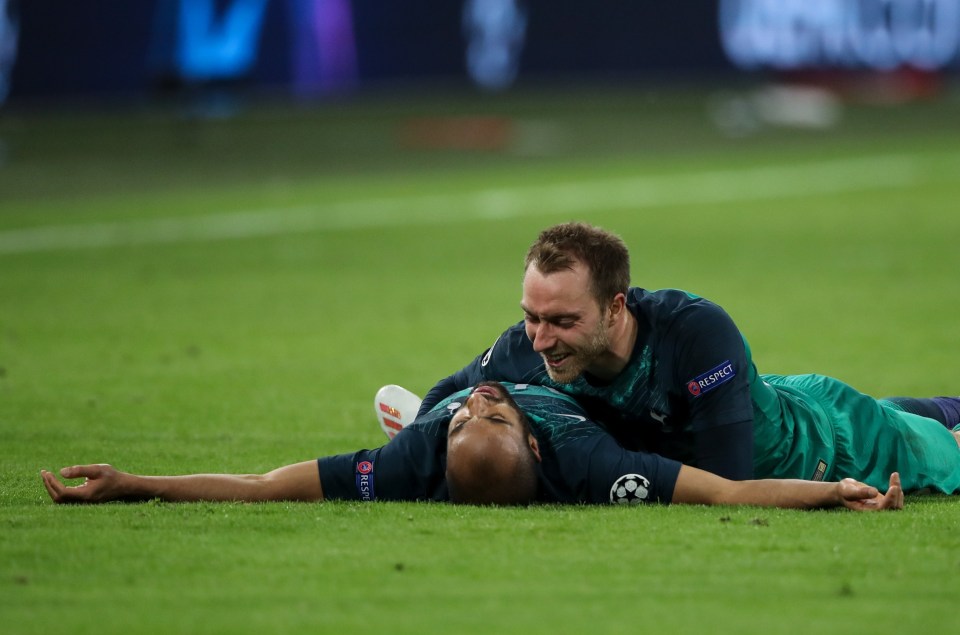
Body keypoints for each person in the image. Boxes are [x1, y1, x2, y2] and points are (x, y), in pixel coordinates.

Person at [418, 222, 960, 492]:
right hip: (766, 400)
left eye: (563, 321)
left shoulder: (696, 333)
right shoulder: (529, 344)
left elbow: (731, 485)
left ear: (615, 306)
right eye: (532, 317)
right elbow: (446, 397)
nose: (540, 339)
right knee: (913, 411)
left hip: (831, 446)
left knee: (941, 449)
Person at [41, 381, 904, 511]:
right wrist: (833, 493)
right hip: (575, 390)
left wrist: (134, 479)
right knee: (905, 421)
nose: (479, 410)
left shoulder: (418, 456)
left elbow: (266, 484)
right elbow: (724, 492)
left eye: (470, 420)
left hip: (501, 364)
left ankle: (419, 391)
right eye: (475, 421)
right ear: (530, 446)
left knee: (428, 395)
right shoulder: (589, 461)